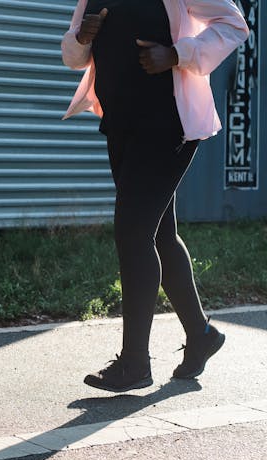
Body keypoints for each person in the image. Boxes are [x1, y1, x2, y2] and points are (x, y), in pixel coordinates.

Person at [61, 0, 249, 392]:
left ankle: (135, 364)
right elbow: (73, 55)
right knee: (158, 233)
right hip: (121, 124)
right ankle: (201, 335)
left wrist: (178, 54)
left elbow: (233, 24)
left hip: (169, 123)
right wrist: (82, 38)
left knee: (133, 232)